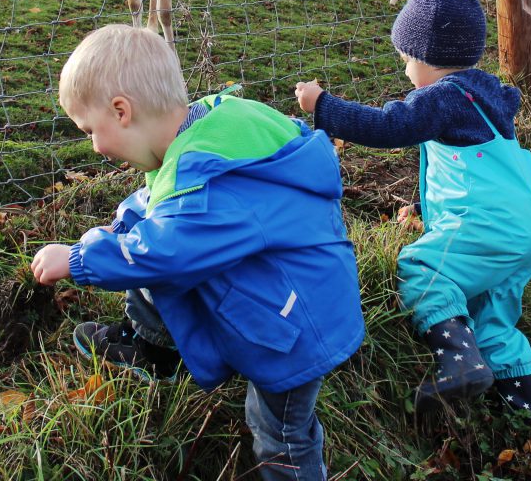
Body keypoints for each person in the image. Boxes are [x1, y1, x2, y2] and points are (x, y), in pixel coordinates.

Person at [31, 24, 363, 481]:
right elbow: (162, 199)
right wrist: (119, 227)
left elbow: (164, 251)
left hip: (296, 327)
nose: (95, 146)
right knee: (145, 247)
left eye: (92, 130)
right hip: (292, 286)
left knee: (279, 428)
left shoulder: (202, 182)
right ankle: (155, 350)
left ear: (121, 110)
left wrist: (81, 260)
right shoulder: (209, 125)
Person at [294, 0, 531, 417]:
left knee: (421, 267)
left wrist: (323, 106)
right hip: (522, 229)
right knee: (493, 310)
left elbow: (391, 126)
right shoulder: (484, 96)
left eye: (407, 58)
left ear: (428, 57)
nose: (406, 69)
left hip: (485, 227)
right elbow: (468, 174)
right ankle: (519, 407)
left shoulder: (443, 98)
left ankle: (458, 361)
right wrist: (419, 205)